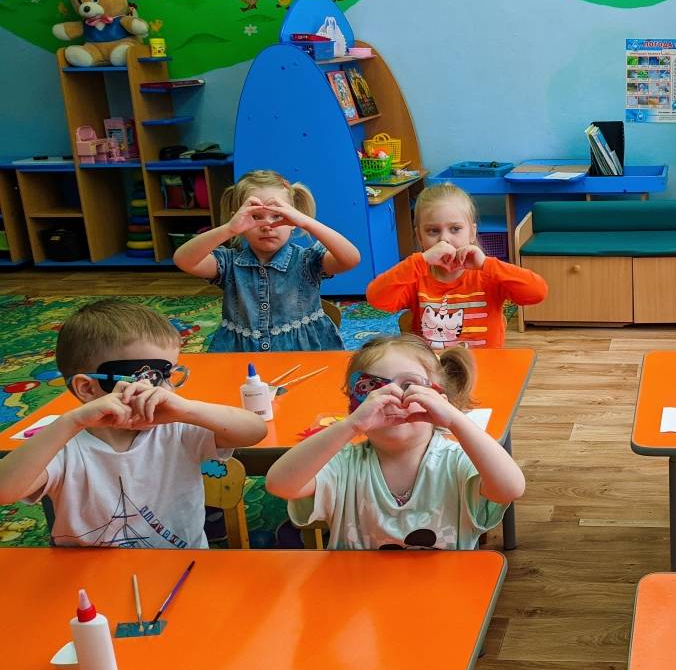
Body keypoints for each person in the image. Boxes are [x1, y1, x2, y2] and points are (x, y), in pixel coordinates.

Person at [0, 300, 267, 548]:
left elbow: (255, 430)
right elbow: (5, 490)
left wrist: (186, 409)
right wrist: (70, 422)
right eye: (150, 376)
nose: (166, 390)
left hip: (181, 565)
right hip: (91, 575)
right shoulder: (64, 446)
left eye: (170, 374)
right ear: (88, 388)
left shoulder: (176, 428)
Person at [266, 334, 525, 550]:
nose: (392, 398)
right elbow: (280, 484)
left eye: (410, 385)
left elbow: (510, 488)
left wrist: (456, 421)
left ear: (439, 400)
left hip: (444, 589)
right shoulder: (343, 466)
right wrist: (350, 426)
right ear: (355, 407)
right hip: (358, 590)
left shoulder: (454, 462)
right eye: (371, 388)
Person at [173, 169, 360, 352]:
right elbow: (184, 260)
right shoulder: (229, 263)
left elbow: (351, 259)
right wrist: (229, 229)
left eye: (277, 216)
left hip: (304, 354)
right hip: (241, 357)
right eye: (255, 217)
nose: (267, 225)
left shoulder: (307, 260)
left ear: (292, 221)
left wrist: (306, 222)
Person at [366, 183, 547, 349]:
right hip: (433, 369)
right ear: (420, 237)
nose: (444, 238)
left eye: (455, 229)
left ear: (472, 232)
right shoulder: (417, 276)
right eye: (433, 231)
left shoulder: (488, 274)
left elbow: (537, 292)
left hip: (482, 367)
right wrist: (420, 261)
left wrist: (487, 264)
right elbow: (377, 298)